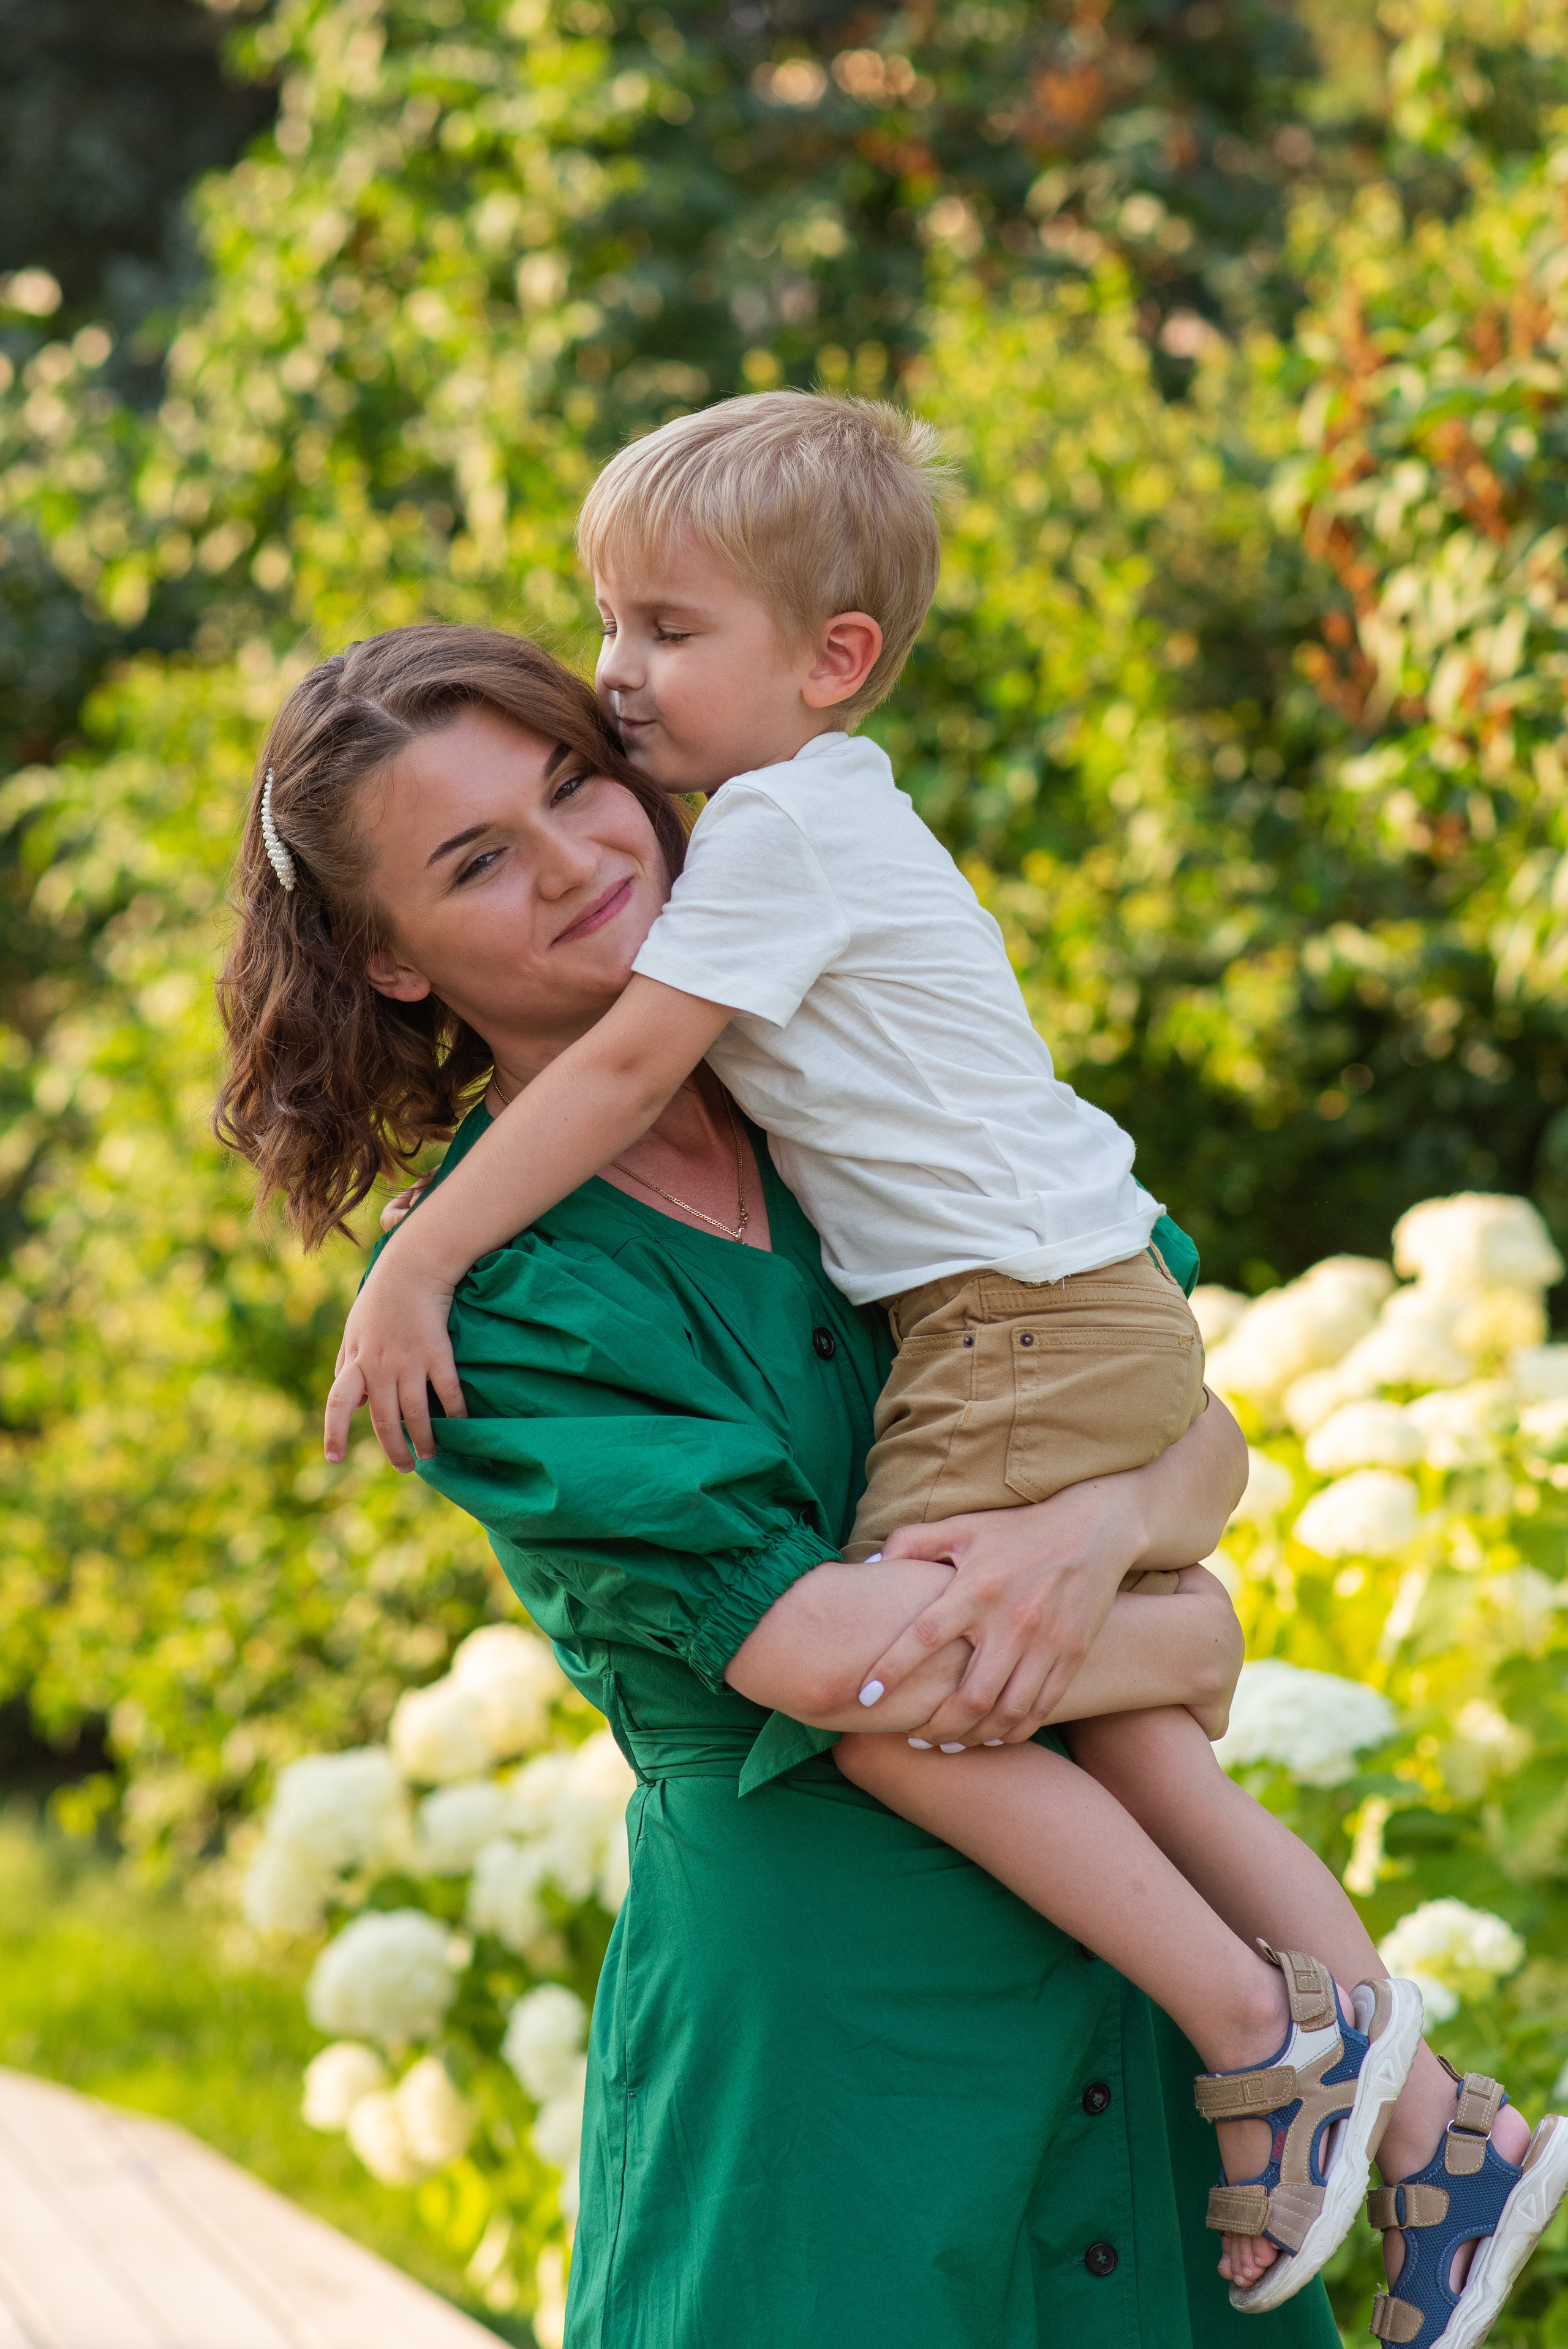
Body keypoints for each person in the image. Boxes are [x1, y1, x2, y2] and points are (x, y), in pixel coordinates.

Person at [314, 401, 1564, 2328]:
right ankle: (1346, 2065)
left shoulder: (832, 1090)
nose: (578, 854)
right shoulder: (499, 1292)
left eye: (577, 777)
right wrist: (1168, 1633)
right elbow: (836, 1660)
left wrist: (1105, 1547)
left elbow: (1194, 1431)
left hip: (1139, 2051)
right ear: (395, 958)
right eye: (480, 859)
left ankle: (1383, 2104)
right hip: (838, 2071)